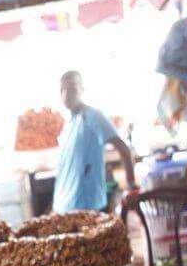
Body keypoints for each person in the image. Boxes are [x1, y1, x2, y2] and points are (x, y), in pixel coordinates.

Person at [53, 70, 136, 214]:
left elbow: (124, 150)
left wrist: (132, 187)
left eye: (72, 88)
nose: (67, 94)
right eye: (62, 90)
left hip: (88, 207)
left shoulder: (93, 117)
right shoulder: (69, 126)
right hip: (64, 208)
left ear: (82, 89)